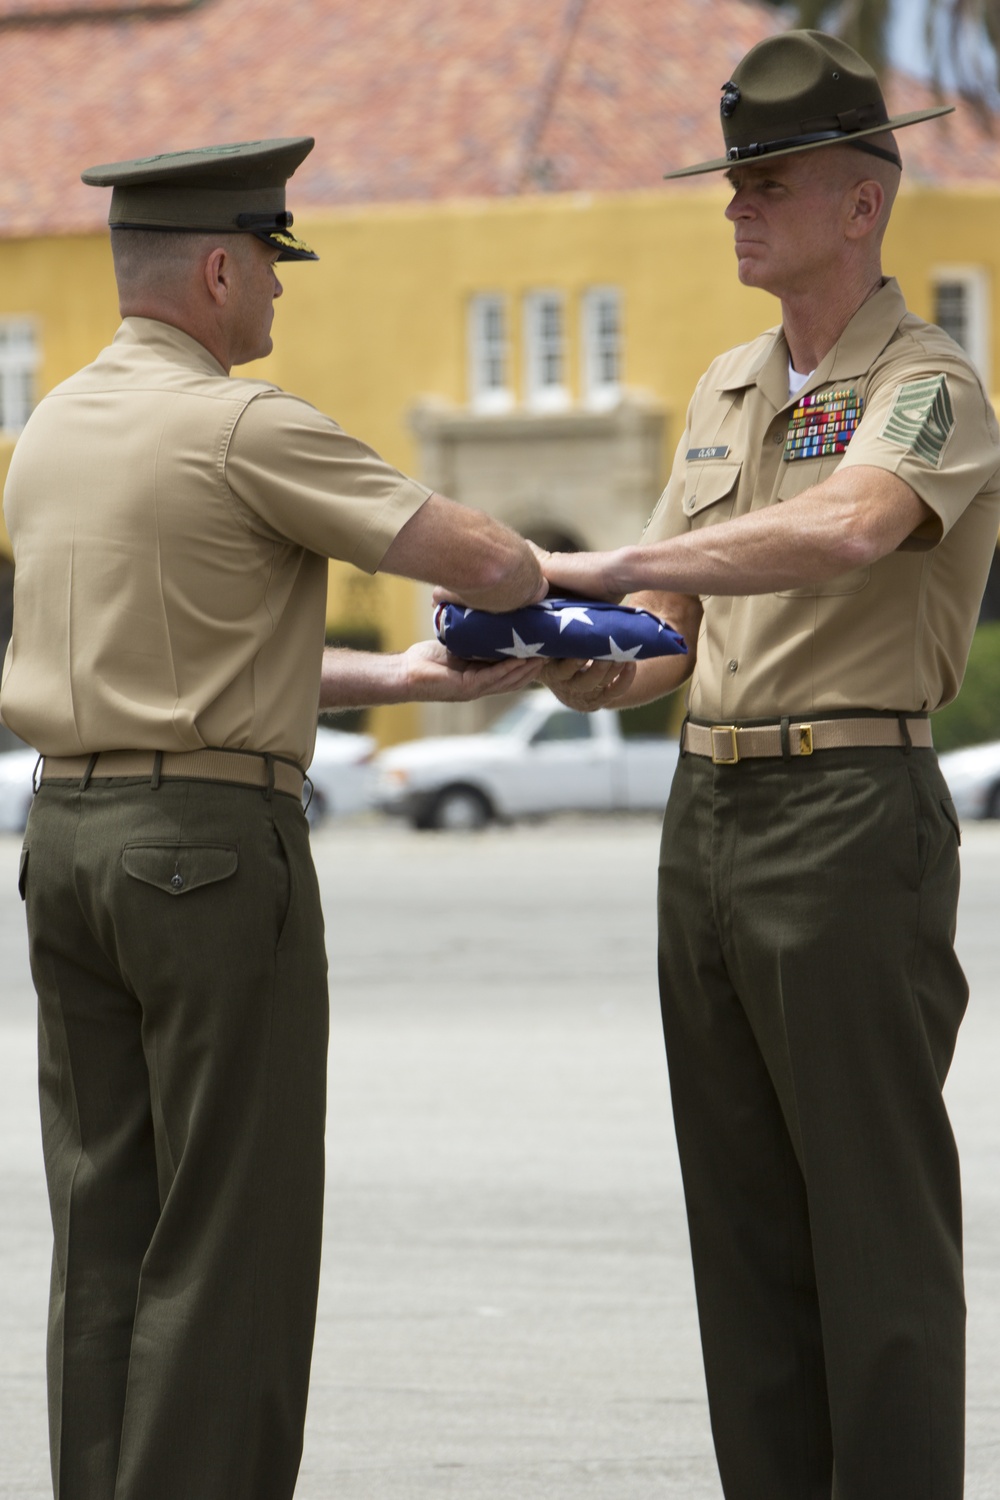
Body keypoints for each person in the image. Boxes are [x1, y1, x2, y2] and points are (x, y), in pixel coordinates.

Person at [0, 136, 545, 1500]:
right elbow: (487, 556)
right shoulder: (244, 423)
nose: (283, 299)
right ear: (222, 267)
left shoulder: (53, 428)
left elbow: (183, 653)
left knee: (108, 1217)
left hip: (66, 845)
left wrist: (401, 677)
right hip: (204, 855)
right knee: (229, 1228)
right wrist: (543, 582)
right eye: (275, 268)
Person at [537, 31, 1000, 1500]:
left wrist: (611, 552)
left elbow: (851, 530)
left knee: (873, 1224)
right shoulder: (727, 389)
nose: (737, 204)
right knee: (741, 1231)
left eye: (769, 180)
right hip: (711, 810)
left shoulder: (930, 384)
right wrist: (590, 650)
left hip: (845, 813)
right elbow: (672, 630)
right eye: (732, 178)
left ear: (862, 204)